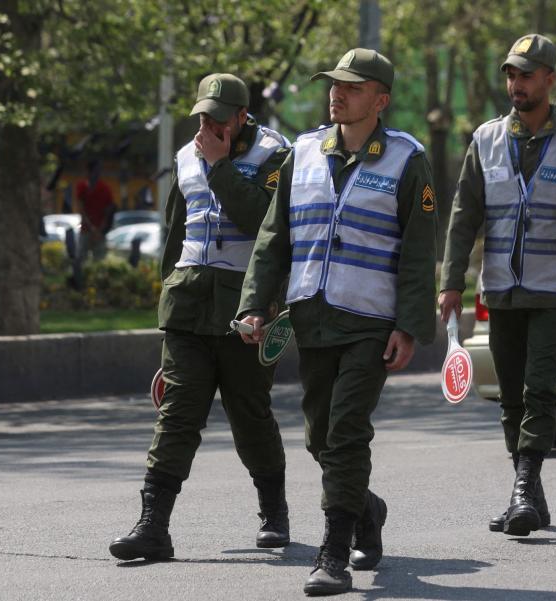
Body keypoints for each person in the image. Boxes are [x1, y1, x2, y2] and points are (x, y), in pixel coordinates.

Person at [236, 49, 437, 596]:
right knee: (320, 439)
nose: (338, 93)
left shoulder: (405, 160)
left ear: (381, 99)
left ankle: (333, 552)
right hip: (312, 316)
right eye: (334, 84)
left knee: (346, 432)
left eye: (352, 86)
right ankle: (367, 509)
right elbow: (275, 238)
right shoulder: (301, 153)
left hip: (371, 320)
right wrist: (256, 303)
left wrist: (410, 326)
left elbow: (420, 252)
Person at [438, 33, 556, 537]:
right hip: (502, 290)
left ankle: (521, 489)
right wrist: (450, 282)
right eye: (511, 75)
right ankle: (530, 495)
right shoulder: (486, 139)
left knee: (540, 391)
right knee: (510, 398)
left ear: (550, 79)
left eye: (527, 75)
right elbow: (462, 216)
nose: (516, 84)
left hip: (555, 292)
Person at [109, 73, 292, 561]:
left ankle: (273, 509)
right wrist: (168, 289)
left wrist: (220, 167)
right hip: (188, 305)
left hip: (246, 308)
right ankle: (153, 525)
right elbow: (176, 231)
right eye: (202, 116)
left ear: (241, 117)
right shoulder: (186, 155)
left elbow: (266, 223)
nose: (208, 125)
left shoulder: (275, 156)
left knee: (249, 415)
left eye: (218, 117)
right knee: (177, 416)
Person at [76, 160, 115, 261]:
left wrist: (100, 230)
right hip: (85, 229)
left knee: (100, 259)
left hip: (100, 231)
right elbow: (81, 209)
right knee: (81, 257)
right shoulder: (82, 187)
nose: (98, 173)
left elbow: (108, 211)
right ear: (89, 171)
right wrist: (92, 228)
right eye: (95, 170)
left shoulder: (105, 188)